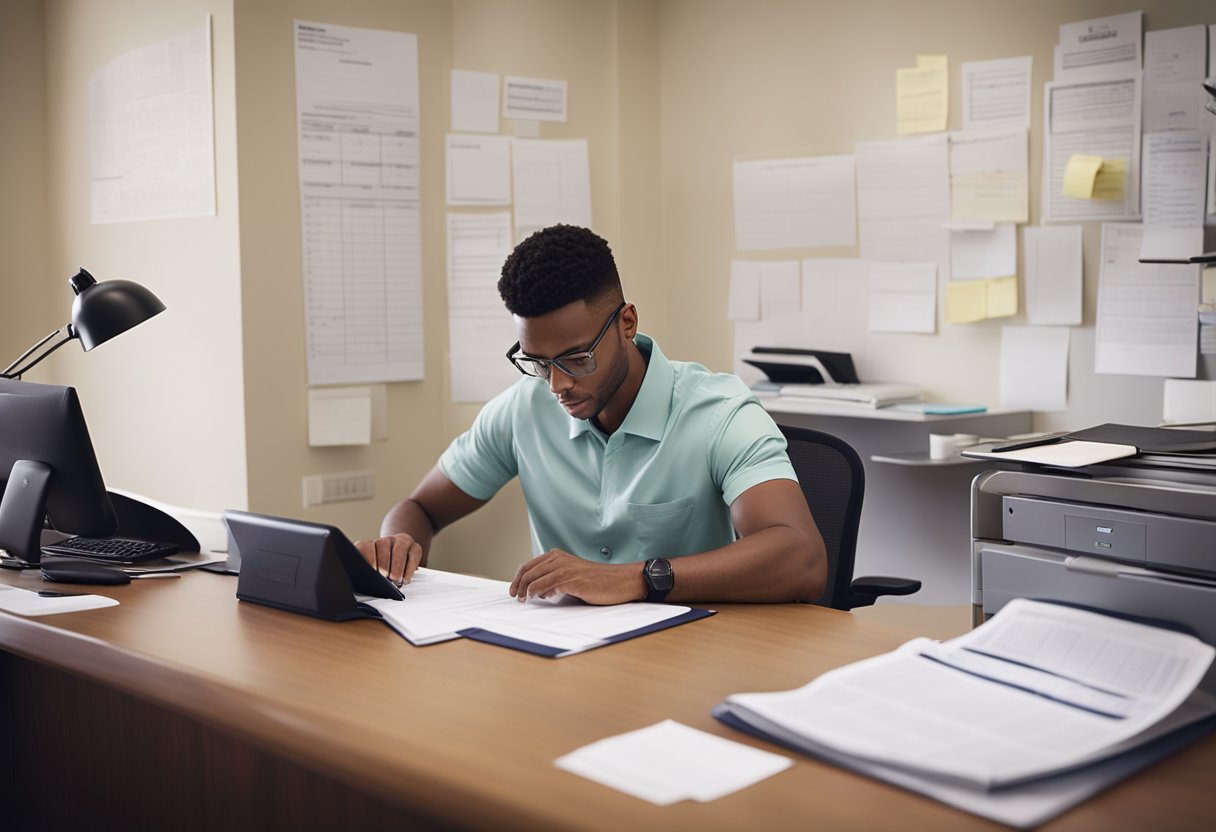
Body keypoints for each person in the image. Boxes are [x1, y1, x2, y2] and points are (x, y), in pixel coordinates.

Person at [356, 224, 826, 605]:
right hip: (566, 664)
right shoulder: (524, 408)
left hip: (693, 659)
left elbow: (802, 559)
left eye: (576, 359)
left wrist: (637, 578)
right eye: (538, 362)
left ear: (627, 324)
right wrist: (395, 544)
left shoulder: (719, 413)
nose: (557, 385)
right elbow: (418, 508)